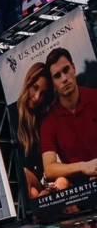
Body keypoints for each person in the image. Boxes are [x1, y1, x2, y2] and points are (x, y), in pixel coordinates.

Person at [40, 47, 97, 186]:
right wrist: (84, 166)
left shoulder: (95, 97)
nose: (64, 79)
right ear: (52, 83)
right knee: (60, 183)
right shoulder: (49, 122)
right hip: (79, 190)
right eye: (57, 76)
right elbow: (49, 169)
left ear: (74, 68)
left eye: (66, 70)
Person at [15, 62, 69, 198]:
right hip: (25, 179)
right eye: (35, 88)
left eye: (43, 93)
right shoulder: (11, 114)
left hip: (46, 179)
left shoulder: (45, 118)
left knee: (37, 189)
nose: (37, 97)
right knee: (26, 179)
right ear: (28, 83)